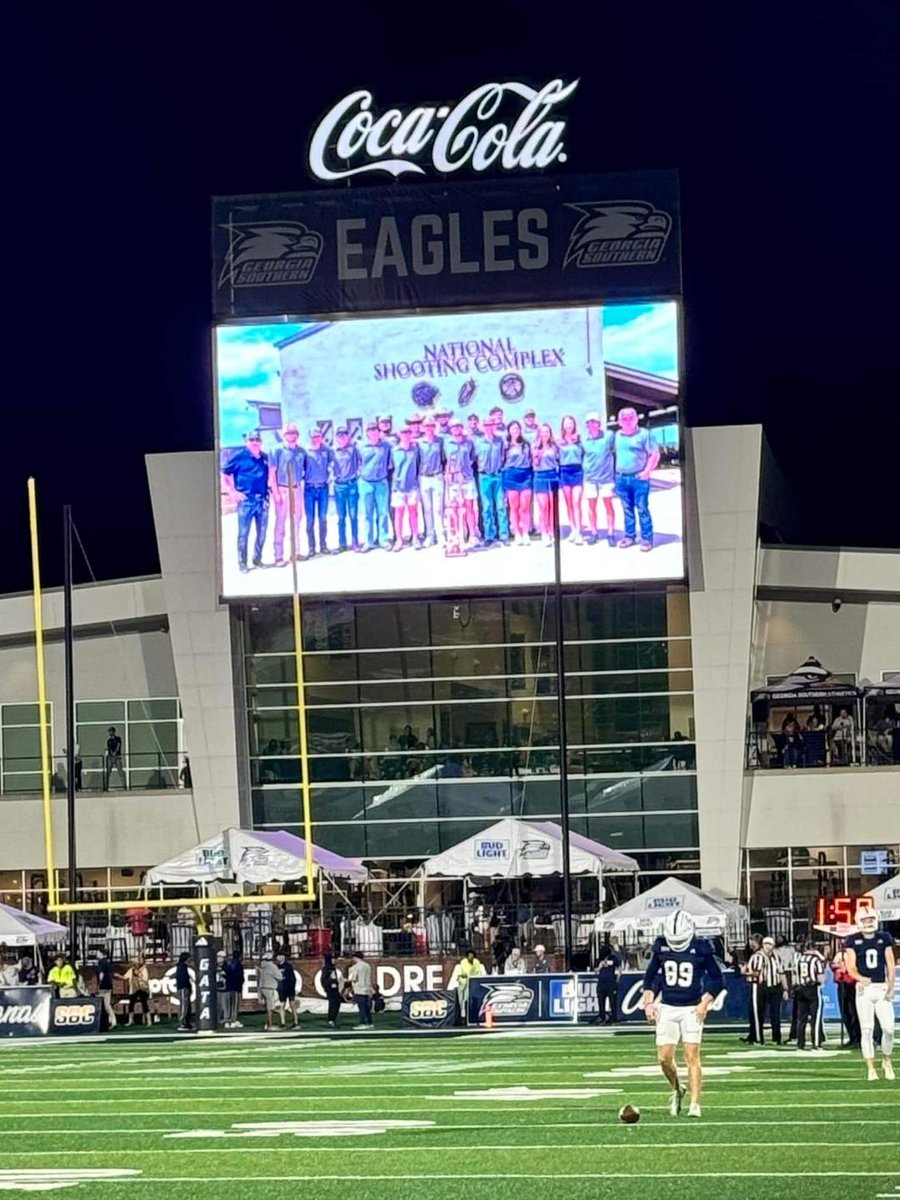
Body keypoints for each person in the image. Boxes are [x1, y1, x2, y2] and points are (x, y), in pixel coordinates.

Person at [641, 910, 723, 1119]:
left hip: (691, 1007)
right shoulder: (661, 946)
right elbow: (650, 976)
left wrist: (705, 1002)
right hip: (667, 1006)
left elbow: (717, 979)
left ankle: (695, 1104)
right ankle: (677, 1089)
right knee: (664, 1058)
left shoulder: (702, 948)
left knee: (692, 1056)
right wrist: (649, 1002)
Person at [843, 907, 895, 1080]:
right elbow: (850, 966)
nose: (869, 922)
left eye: (871, 919)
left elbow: (890, 963)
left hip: (881, 987)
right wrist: (859, 977)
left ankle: (887, 1060)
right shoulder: (852, 940)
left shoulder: (884, 938)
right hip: (864, 989)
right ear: (859, 921)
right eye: (865, 920)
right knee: (867, 1029)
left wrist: (891, 984)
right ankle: (871, 1067)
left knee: (888, 1029)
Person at [222, 431, 270, 574]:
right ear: (247, 442)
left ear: (261, 442)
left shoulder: (265, 458)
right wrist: (232, 491)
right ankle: (242, 563)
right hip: (246, 501)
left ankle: (257, 559)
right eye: (252, 439)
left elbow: (269, 478)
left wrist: (268, 497)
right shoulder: (239, 456)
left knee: (262, 533)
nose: (255, 442)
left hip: (262, 500)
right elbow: (223, 473)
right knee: (243, 534)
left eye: (257, 439)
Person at [614, 407, 659, 551]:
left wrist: (647, 472)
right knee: (627, 510)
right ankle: (629, 536)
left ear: (636, 419)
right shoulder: (617, 436)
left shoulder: (645, 434)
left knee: (642, 509)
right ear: (619, 421)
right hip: (621, 478)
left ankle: (646, 539)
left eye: (630, 417)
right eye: (624, 418)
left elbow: (655, 454)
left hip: (639, 478)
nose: (627, 420)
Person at [269, 423, 306, 565]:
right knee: (280, 523)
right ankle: (279, 556)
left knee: (296, 521)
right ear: (284, 435)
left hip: (296, 489)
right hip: (282, 489)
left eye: (294, 433)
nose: (292, 435)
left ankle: (295, 552)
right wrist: (275, 493)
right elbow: (272, 473)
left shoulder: (301, 451)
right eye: (289, 433)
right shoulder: (276, 450)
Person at [443, 419, 478, 555]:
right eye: (453, 427)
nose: (456, 429)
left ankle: (472, 535)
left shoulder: (468, 442)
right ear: (451, 429)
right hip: (452, 481)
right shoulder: (447, 443)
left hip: (467, 479)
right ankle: (457, 537)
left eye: (458, 426)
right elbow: (445, 461)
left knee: (469, 507)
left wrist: (464, 470)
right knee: (454, 509)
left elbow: (472, 458)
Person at [582, 411, 617, 546]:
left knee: (608, 505)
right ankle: (594, 533)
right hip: (590, 478)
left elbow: (615, 451)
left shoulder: (609, 436)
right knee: (591, 507)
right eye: (589, 422)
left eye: (594, 422)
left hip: (606, 478)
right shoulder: (584, 440)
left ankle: (611, 534)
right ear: (586, 425)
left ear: (599, 423)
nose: (592, 424)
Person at [474, 414, 509, 545]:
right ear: (483, 427)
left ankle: (504, 534)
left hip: (497, 475)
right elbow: (473, 458)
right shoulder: (477, 442)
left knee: (500, 506)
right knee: (487, 507)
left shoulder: (500, 441)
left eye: (491, 425)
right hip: (484, 477)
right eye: (486, 425)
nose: (488, 427)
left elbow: (503, 456)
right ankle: (489, 535)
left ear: (494, 426)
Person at [358, 423, 392, 551]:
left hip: (381, 482)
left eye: (375, 430)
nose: (373, 432)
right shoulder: (360, 446)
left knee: (382, 512)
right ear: (367, 433)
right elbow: (356, 462)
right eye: (370, 430)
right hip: (366, 483)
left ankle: (383, 539)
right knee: (367, 513)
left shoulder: (386, 446)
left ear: (379, 432)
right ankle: (369, 541)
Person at [330, 426, 362, 554]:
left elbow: (361, 462)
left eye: (344, 434)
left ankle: (355, 542)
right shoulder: (333, 451)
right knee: (341, 516)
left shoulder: (354, 449)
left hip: (352, 485)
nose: (342, 437)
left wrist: (358, 473)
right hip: (339, 486)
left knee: (353, 515)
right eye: (339, 435)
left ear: (348, 436)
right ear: (336, 437)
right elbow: (329, 465)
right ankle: (342, 543)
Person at [751, 936, 789, 1044]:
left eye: (770, 944)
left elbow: (782, 973)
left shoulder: (777, 957)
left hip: (776, 987)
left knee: (776, 1015)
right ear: (763, 945)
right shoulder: (758, 956)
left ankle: (776, 1038)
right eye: (766, 944)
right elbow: (752, 971)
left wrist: (785, 989)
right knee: (760, 1014)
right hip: (762, 987)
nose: (768, 946)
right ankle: (758, 1038)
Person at [390, 426, 421, 551]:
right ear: (399, 434)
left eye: (408, 432)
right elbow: (391, 467)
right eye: (403, 432)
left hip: (412, 485)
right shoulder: (394, 450)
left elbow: (419, 465)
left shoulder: (415, 450)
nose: (406, 434)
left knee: (413, 513)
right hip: (398, 486)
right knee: (399, 514)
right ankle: (399, 539)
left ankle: (415, 537)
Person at [302, 427, 333, 557]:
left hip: (323, 488)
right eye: (313, 436)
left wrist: (331, 476)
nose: (316, 439)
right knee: (310, 519)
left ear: (322, 436)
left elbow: (333, 465)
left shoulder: (328, 450)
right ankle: (311, 547)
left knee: (323, 518)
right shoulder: (305, 452)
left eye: (318, 436)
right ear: (310, 438)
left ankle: (323, 545)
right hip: (309, 489)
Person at [502, 420, 533, 547]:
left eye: (517, 428)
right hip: (511, 475)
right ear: (509, 431)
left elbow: (531, 459)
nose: (515, 431)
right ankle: (517, 534)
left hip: (525, 474)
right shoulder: (506, 445)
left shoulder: (526, 445)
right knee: (513, 507)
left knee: (525, 507)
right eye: (513, 428)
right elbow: (502, 461)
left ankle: (525, 532)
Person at [417, 417, 445, 547]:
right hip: (424, 478)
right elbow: (417, 461)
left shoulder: (440, 441)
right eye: (427, 426)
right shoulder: (419, 443)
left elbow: (444, 458)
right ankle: (430, 535)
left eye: (432, 426)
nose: (429, 428)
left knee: (438, 508)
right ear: (423, 427)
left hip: (437, 476)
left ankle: (441, 535)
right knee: (427, 509)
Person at [793, 940, 826, 1051]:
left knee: (801, 1019)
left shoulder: (798, 959)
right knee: (815, 1018)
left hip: (800, 988)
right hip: (812, 988)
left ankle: (800, 1044)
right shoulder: (815, 960)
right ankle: (816, 1043)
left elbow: (794, 976)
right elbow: (821, 978)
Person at [532, 423, 560, 547]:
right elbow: (535, 463)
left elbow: (558, 460)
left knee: (552, 506)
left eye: (547, 432)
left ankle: (552, 531)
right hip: (540, 476)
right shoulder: (535, 446)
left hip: (552, 476)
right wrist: (537, 455)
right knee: (543, 507)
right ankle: (543, 532)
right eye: (542, 432)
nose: (545, 434)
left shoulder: (554, 446)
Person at [558, 414, 584, 544]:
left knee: (576, 502)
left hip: (577, 471)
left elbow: (585, 455)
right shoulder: (559, 441)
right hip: (564, 471)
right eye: (566, 423)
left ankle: (579, 531)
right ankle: (573, 529)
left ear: (574, 424)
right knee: (568, 503)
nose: (568, 425)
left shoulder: (579, 439)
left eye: (570, 423)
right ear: (563, 425)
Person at [595, 940, 622, 1025]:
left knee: (613, 1002)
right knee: (601, 1002)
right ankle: (602, 1017)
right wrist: (600, 966)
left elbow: (620, 967)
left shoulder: (613, 958)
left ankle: (614, 1018)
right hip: (601, 983)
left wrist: (618, 978)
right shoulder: (599, 960)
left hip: (611, 982)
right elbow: (595, 971)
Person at [120, 956, 151, 1026]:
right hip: (134, 990)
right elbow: (125, 977)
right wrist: (118, 975)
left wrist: (139, 976)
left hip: (143, 989)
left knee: (144, 1003)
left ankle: (149, 1021)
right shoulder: (131, 970)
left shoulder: (144, 970)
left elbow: (145, 980)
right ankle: (131, 1020)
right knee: (131, 1003)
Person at [453, 950, 485, 1019]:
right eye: (469, 956)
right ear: (467, 956)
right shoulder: (463, 962)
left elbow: (478, 972)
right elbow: (461, 973)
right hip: (462, 982)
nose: (470, 957)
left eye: (472, 956)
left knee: (466, 998)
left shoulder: (476, 962)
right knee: (460, 997)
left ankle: (465, 1014)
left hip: (471, 982)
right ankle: (461, 1014)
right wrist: (464, 976)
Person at [348, 950, 374, 1030]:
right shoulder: (367, 965)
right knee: (366, 1007)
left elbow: (353, 978)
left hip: (359, 989)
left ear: (356, 957)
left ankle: (363, 1023)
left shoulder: (355, 967)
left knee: (361, 1007)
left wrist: (348, 978)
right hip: (366, 989)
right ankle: (370, 1022)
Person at [258, 952, 283, 1031]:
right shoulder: (272, 966)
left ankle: (267, 1024)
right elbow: (280, 977)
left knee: (268, 1007)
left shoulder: (262, 966)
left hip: (263, 988)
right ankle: (270, 1026)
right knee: (270, 1008)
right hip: (269, 988)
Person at [276, 951, 299, 1029]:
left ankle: (296, 1022)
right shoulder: (276, 967)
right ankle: (283, 1023)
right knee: (282, 1005)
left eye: (280, 956)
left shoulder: (288, 966)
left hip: (289, 988)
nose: (278, 958)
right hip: (282, 989)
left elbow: (293, 978)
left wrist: (292, 988)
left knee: (292, 1005)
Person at [95, 951, 117, 1030]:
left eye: (98, 953)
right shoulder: (108, 962)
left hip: (103, 985)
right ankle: (112, 1020)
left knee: (103, 1005)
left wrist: (99, 984)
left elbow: (101, 973)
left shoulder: (101, 962)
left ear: (102, 954)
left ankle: (103, 1022)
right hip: (109, 985)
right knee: (107, 1004)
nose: (97, 954)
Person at [222, 950, 244, 1030]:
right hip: (235, 987)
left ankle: (227, 1021)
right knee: (234, 1005)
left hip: (227, 987)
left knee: (227, 1006)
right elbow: (239, 977)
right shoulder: (238, 965)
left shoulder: (228, 964)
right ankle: (233, 1021)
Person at [322, 952, 343, 1028]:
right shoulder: (327, 968)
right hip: (331, 990)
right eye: (333, 959)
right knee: (332, 1004)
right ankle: (331, 1019)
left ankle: (333, 1019)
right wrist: (328, 987)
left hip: (335, 989)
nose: (335, 960)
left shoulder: (332, 968)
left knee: (337, 1003)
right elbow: (323, 980)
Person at [174, 951, 193, 1031]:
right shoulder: (181, 967)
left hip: (185, 988)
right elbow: (183, 979)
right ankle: (182, 1022)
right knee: (184, 1006)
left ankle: (186, 1022)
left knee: (187, 1006)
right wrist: (187, 986)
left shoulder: (183, 967)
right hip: (183, 988)